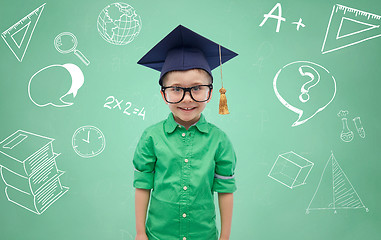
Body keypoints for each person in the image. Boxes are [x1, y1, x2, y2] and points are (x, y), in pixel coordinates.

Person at [133, 25, 238, 240]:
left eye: (197, 88)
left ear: (210, 93)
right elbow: (143, 185)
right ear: (164, 94)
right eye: (177, 89)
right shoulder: (151, 137)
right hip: (159, 235)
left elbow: (225, 189)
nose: (187, 98)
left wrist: (225, 237)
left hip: (203, 235)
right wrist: (140, 232)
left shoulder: (219, 140)